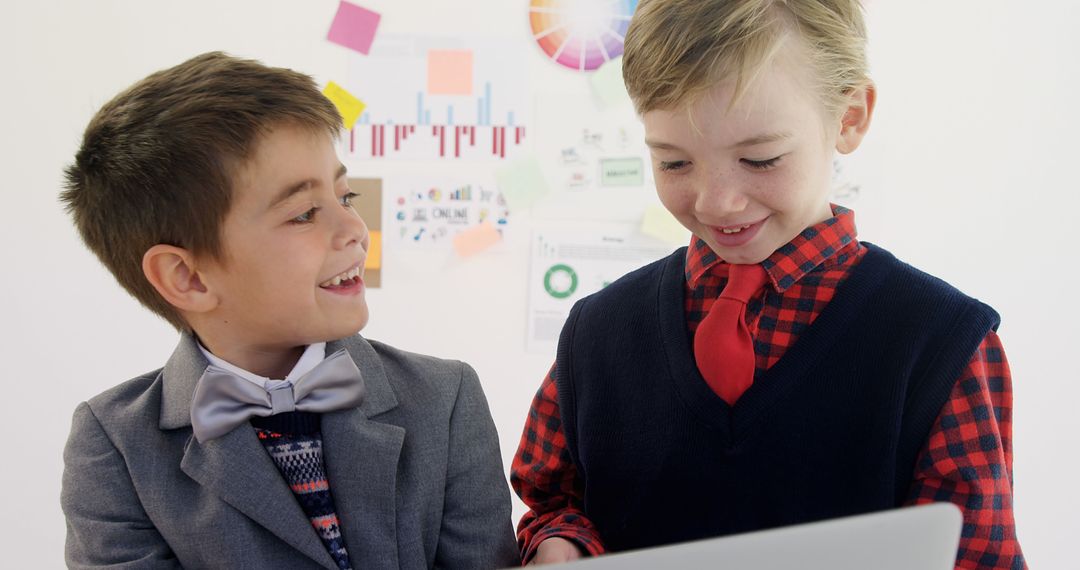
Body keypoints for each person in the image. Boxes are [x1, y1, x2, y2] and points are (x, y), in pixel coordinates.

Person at [510, 1, 1025, 568]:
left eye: (759, 159)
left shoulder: (942, 341)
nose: (715, 202)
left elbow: (975, 555)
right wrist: (559, 544)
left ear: (849, 117)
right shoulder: (598, 330)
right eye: (675, 164)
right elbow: (554, 501)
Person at [60, 51, 518, 570]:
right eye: (303, 214)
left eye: (346, 197)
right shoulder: (114, 448)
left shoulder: (445, 398)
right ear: (186, 277)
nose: (353, 231)